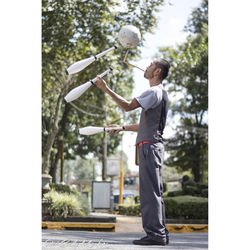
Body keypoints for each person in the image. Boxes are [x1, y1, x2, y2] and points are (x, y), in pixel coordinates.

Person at [94, 58, 170, 246]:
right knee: (155, 192)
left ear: (157, 71)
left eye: (151, 64)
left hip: (149, 147)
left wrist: (105, 88)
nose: (147, 66)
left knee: (149, 192)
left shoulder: (153, 91)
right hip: (152, 146)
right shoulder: (160, 93)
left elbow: (127, 106)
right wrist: (122, 127)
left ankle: (155, 235)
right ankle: (160, 233)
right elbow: (144, 125)